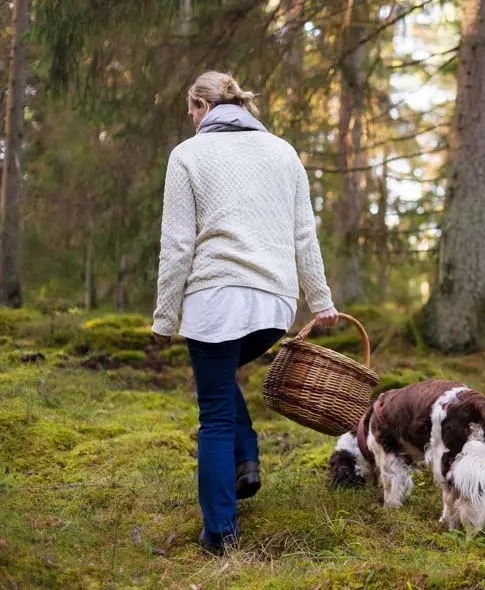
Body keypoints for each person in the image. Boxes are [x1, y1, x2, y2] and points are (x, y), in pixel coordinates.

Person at [151, 71, 338, 555]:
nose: (189, 120)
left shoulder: (187, 155)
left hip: (215, 301)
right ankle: (247, 458)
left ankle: (221, 534)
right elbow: (303, 236)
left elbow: (176, 245)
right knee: (221, 379)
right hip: (273, 306)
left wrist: (165, 318)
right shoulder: (283, 151)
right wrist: (321, 301)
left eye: (191, 110)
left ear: (201, 104)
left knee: (213, 412)